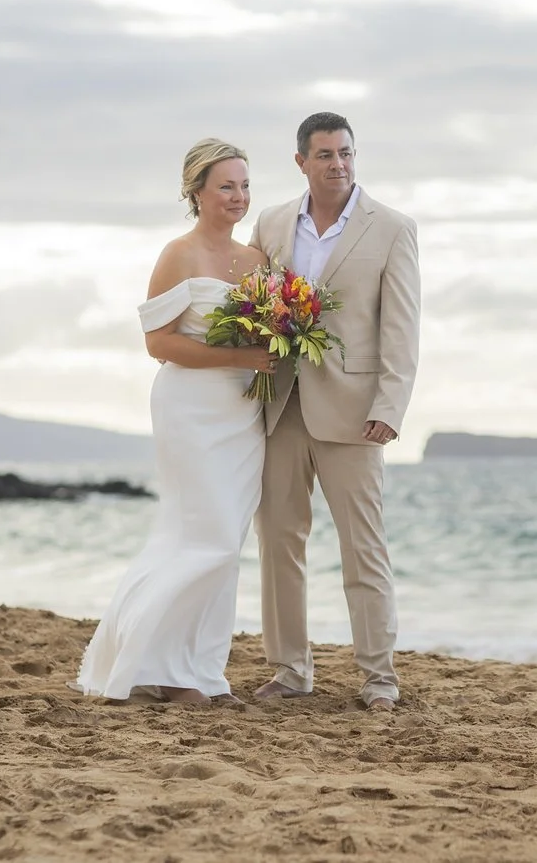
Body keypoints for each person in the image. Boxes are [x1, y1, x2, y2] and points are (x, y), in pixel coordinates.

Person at [75, 138, 276, 707]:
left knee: (225, 542)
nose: (238, 197)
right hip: (190, 406)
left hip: (243, 414)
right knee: (202, 536)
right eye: (226, 186)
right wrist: (241, 358)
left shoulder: (256, 262)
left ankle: (197, 675)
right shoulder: (178, 255)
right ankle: (145, 668)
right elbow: (158, 343)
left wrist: (278, 338)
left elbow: (264, 335)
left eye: (243, 185)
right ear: (197, 192)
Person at [248, 112, 421, 712]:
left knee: (363, 547)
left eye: (345, 153)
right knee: (278, 539)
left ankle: (379, 677)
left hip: (355, 411)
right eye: (324, 155)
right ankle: (291, 669)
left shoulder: (393, 228)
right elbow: (253, 308)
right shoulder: (270, 224)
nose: (337, 165)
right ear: (301, 161)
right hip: (279, 404)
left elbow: (401, 326)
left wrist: (391, 404)